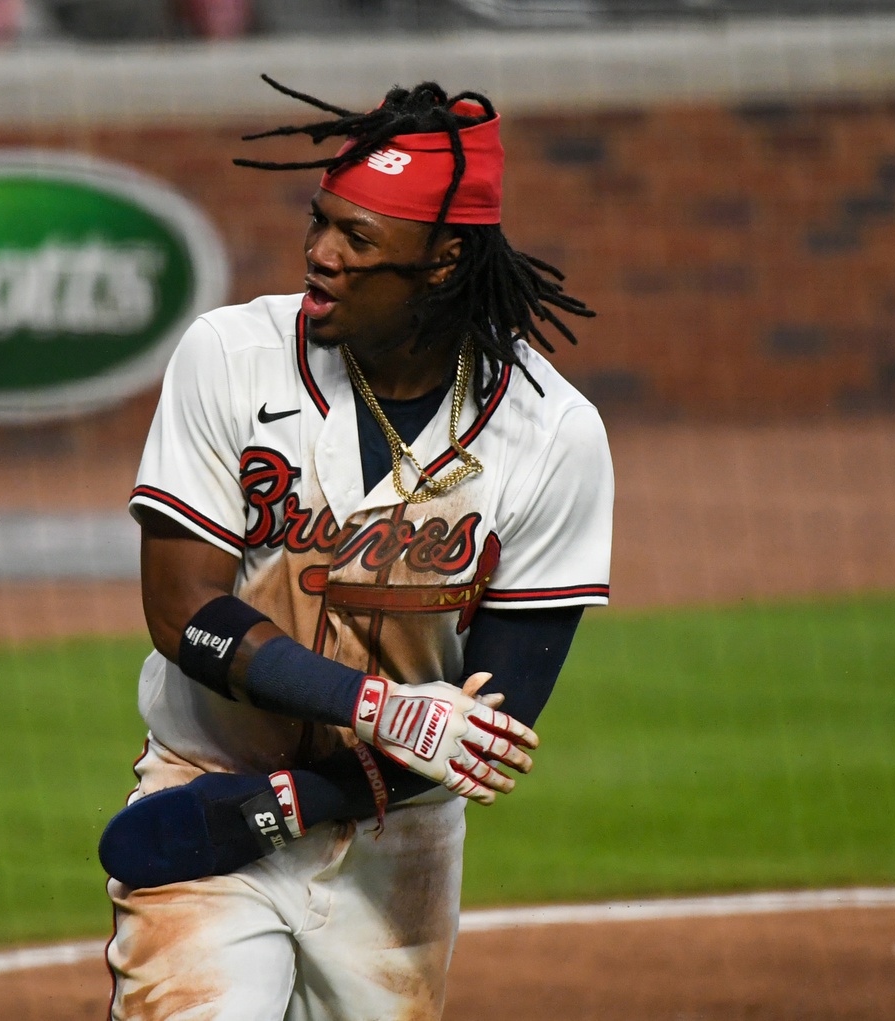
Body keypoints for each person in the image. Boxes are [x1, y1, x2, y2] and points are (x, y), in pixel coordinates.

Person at [100, 77, 615, 1021]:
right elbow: (182, 612)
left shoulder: (552, 435)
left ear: (445, 262)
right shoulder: (231, 356)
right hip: (205, 784)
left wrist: (291, 801)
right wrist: (377, 706)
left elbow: (491, 723)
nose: (321, 255)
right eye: (320, 221)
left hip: (395, 843)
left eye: (359, 239)